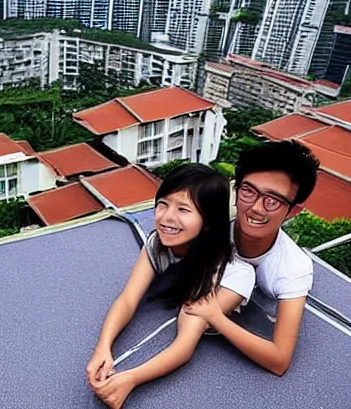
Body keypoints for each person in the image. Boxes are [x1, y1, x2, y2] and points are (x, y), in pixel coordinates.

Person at [86, 164, 256, 409]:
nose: (166, 217)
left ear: (208, 220)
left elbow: (185, 343)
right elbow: (127, 299)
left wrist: (131, 379)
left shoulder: (230, 276)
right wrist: (103, 347)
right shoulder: (159, 243)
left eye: (183, 209)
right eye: (163, 203)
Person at [185, 140, 320, 377]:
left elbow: (279, 360)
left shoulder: (293, 268)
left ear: (293, 211)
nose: (256, 208)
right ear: (236, 190)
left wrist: (215, 316)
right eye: (249, 191)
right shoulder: (209, 221)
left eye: (273, 200)